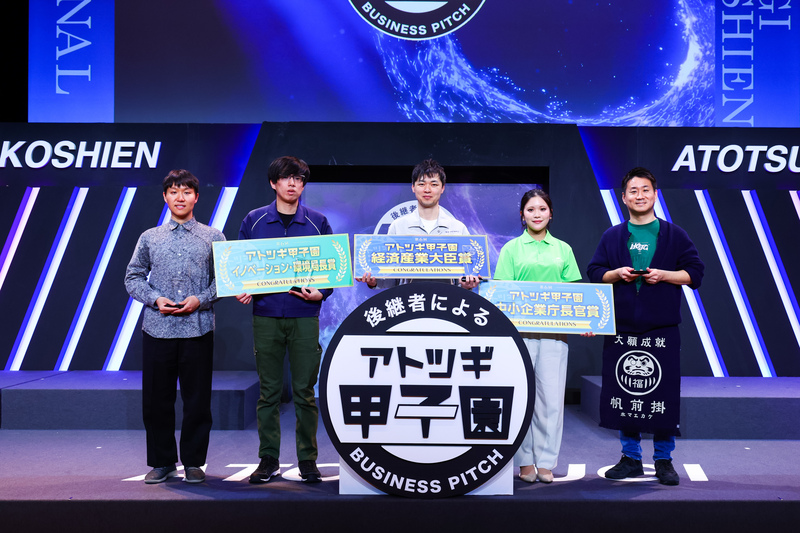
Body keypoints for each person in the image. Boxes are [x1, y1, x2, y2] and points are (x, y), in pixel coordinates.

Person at [587, 167, 704, 486]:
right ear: (624, 198)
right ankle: (631, 458)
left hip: (662, 329)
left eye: (645, 190)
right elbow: (595, 271)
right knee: (626, 394)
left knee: (663, 394)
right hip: (622, 329)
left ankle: (664, 460)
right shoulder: (612, 236)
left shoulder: (675, 234)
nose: (640, 196)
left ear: (655, 194)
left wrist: (665, 275)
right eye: (633, 191)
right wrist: (615, 274)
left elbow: (695, 273)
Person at [125, 169, 225, 484]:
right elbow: (132, 277)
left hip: (198, 329)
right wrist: (155, 299)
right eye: (173, 192)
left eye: (186, 192)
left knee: (197, 401)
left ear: (196, 197)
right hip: (158, 329)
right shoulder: (149, 237)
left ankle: (194, 462)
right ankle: (162, 462)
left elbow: (225, 280)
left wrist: (201, 299)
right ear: (165, 196)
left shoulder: (213, 236)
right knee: (156, 402)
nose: (180, 198)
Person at [236, 156, 332, 484]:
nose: (292, 184)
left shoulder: (318, 221)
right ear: (273, 183)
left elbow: (331, 270)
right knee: (269, 392)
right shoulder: (254, 220)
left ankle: (307, 459)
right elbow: (239, 267)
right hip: (266, 316)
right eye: (286, 178)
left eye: (299, 179)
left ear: (303, 185)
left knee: (305, 392)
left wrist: (322, 292)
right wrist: (241, 287)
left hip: (305, 316)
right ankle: (268, 459)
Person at [493, 189, 583, 484]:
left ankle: (545, 461)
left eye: (542, 209)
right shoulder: (511, 249)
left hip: (555, 335)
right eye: (531, 209)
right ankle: (524, 461)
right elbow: (501, 293)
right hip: (520, 335)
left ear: (550, 213)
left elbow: (576, 295)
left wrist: (586, 319)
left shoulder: (563, 249)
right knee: (522, 398)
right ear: (522, 215)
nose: (537, 214)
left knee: (551, 400)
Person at [356, 158, 479, 290]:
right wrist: (373, 282)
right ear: (413, 187)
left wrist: (466, 284)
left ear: (442, 188)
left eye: (434, 184)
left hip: (446, 300)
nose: (427, 189)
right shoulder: (398, 226)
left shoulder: (458, 228)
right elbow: (392, 279)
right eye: (421, 184)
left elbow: (465, 275)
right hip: (408, 300)